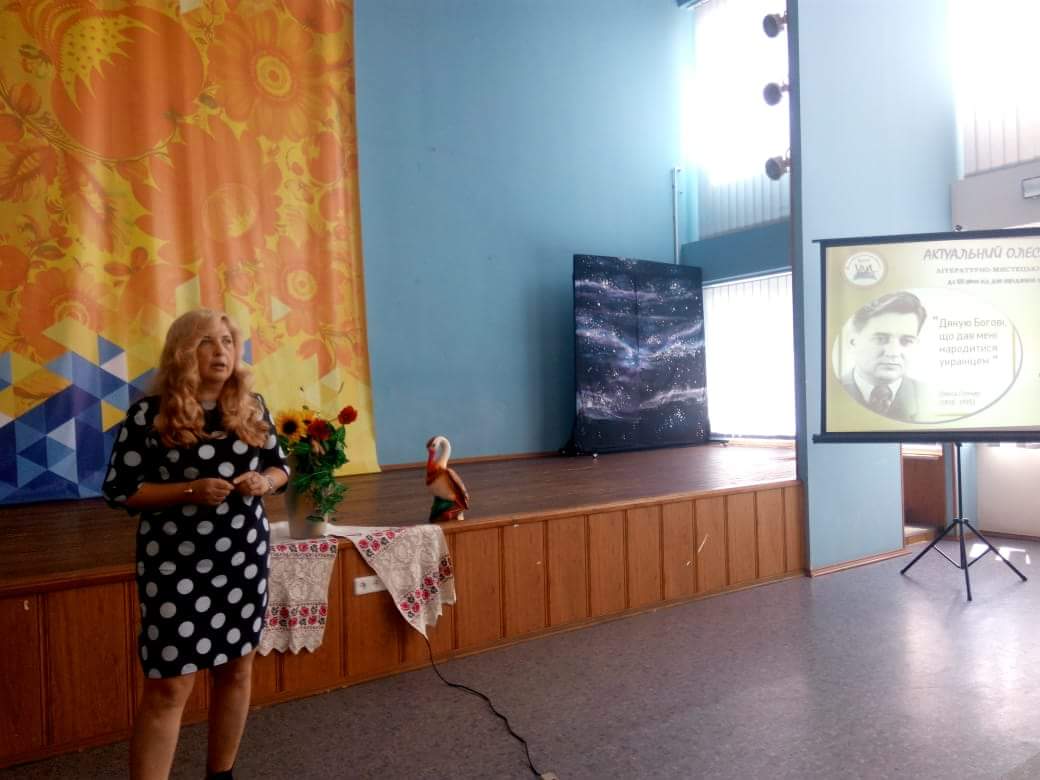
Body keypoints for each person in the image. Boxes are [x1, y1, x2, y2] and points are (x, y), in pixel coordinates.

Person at [103, 309, 289, 780]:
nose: (221, 351)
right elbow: (121, 490)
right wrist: (189, 491)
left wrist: (265, 483)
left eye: (227, 340)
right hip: (175, 566)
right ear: (184, 353)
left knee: (237, 671)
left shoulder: (252, 406)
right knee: (170, 686)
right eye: (207, 341)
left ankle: (220, 775)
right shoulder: (149, 414)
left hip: (243, 560)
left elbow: (280, 466)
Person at [840, 291, 928, 422]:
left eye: (906, 341)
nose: (893, 352)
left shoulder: (928, 396)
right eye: (880, 339)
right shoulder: (831, 391)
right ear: (853, 342)